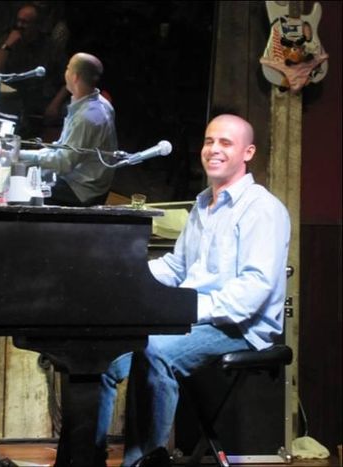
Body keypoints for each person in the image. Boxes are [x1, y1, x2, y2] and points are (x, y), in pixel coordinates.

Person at [96, 114, 291, 467]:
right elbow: (176, 267)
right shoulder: (203, 203)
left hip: (240, 327)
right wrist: (125, 278)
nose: (213, 149)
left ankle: (142, 463)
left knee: (154, 349)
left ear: (248, 152)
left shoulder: (263, 209)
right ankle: (85, 457)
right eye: (209, 141)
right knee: (105, 352)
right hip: (194, 315)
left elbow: (251, 292)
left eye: (225, 143)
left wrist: (181, 310)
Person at [19, 52, 118, 207]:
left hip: (81, 189)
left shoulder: (87, 118)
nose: (65, 72)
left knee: (17, 190)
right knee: (24, 170)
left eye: (67, 68)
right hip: (83, 177)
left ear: (75, 77)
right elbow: (63, 149)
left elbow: (63, 164)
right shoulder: (100, 102)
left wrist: (17, 155)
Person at [0, 2, 69, 138]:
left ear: (36, 25)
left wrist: (55, 104)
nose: (20, 26)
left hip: (40, 98)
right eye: (18, 21)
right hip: (10, 98)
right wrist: (7, 46)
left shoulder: (50, 47)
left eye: (25, 22)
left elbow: (68, 80)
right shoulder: (8, 40)